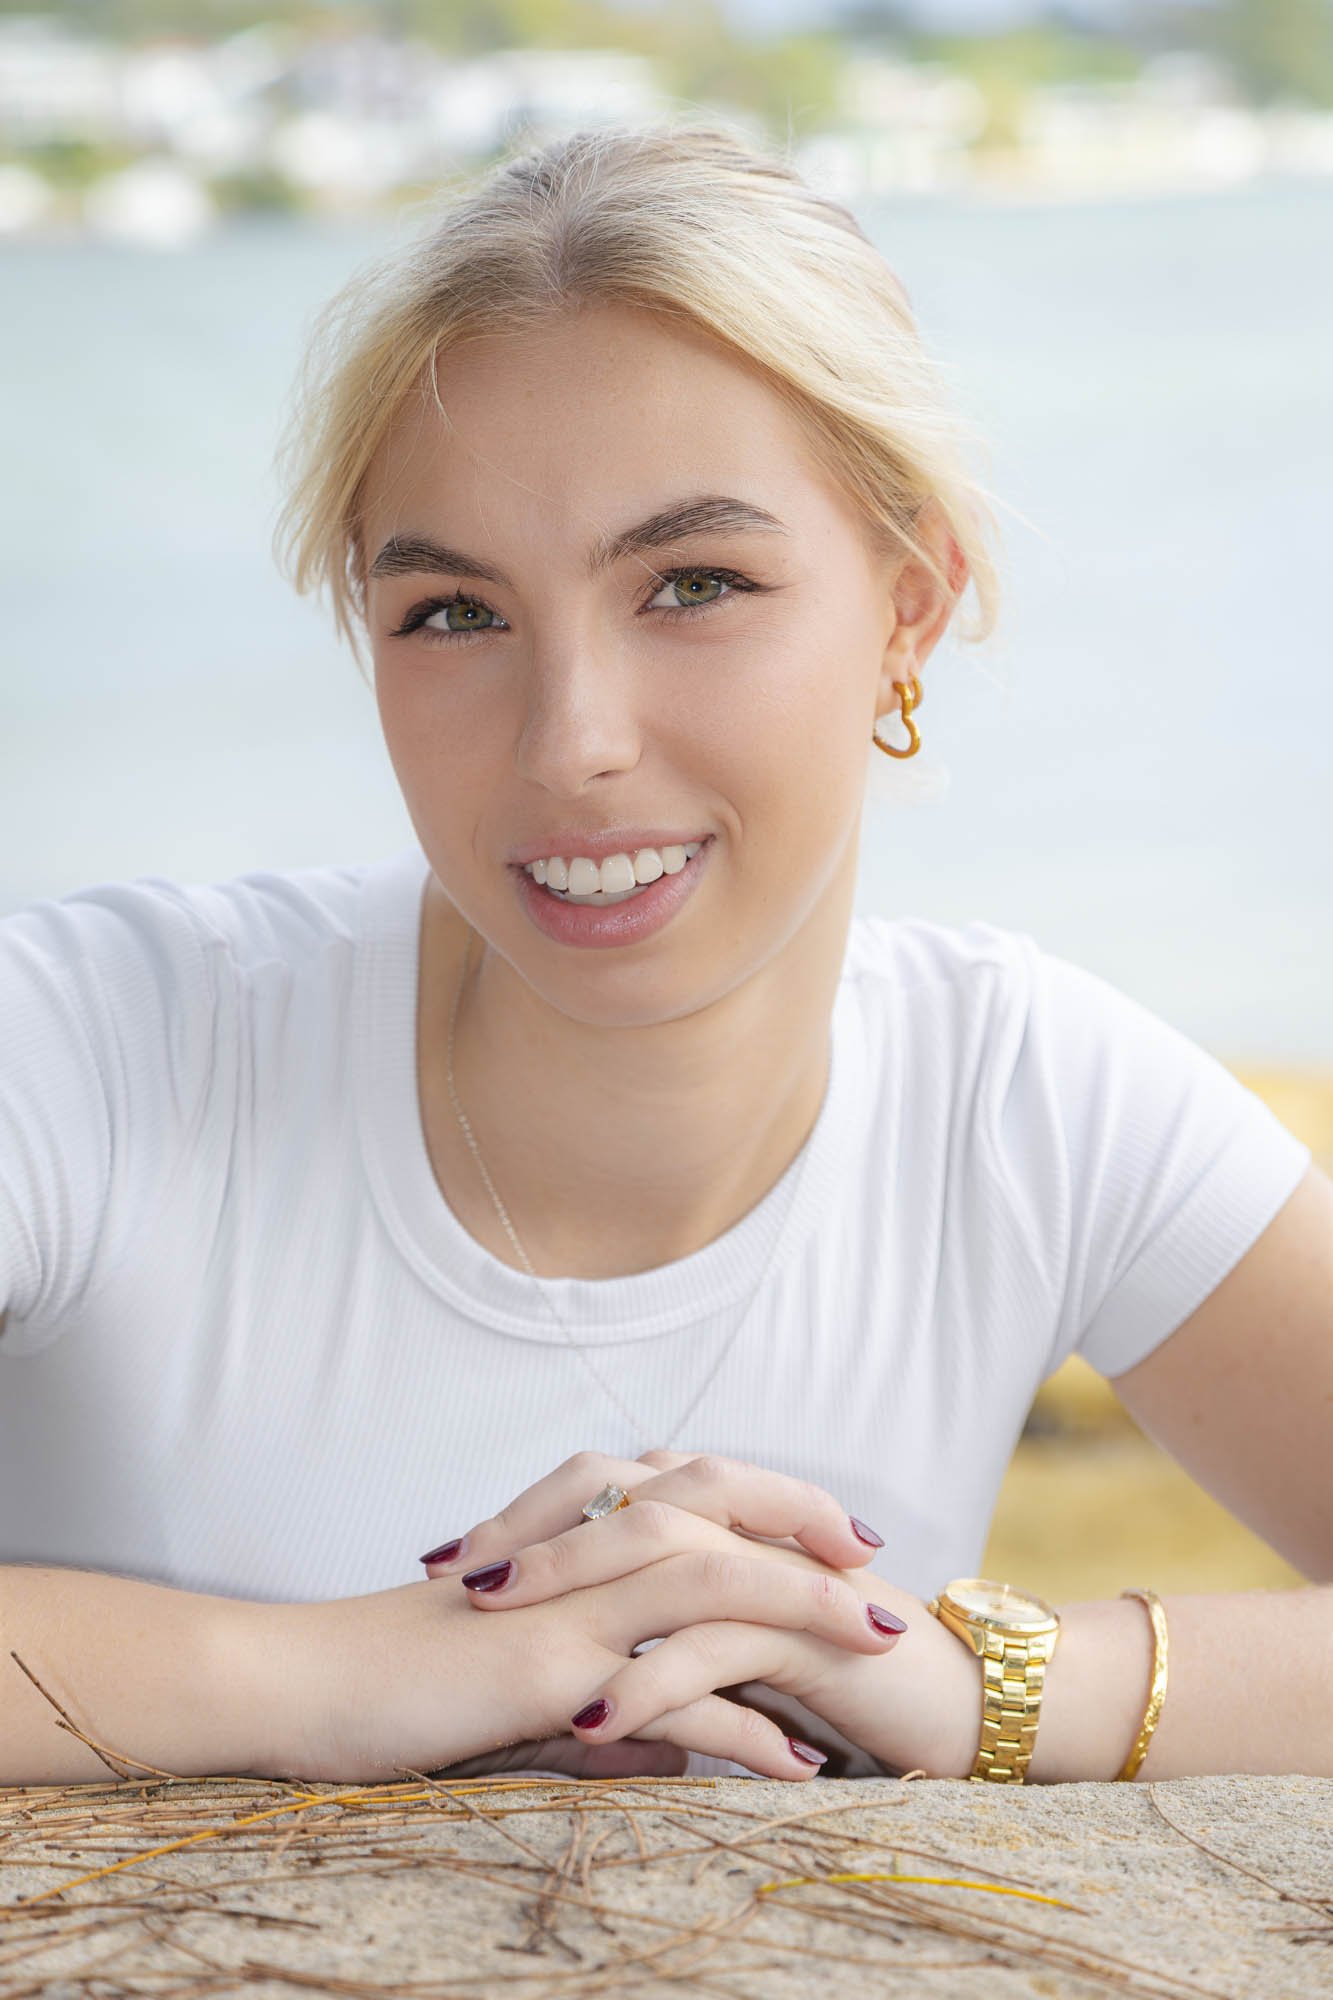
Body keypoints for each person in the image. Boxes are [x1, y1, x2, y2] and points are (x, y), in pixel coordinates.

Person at [1, 122, 1329, 1793]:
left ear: (910, 602)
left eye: (691, 582)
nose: (573, 742)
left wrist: (978, 1684)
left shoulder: (1024, 1095)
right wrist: (331, 1680)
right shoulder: (96, 1049)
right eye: (454, 614)